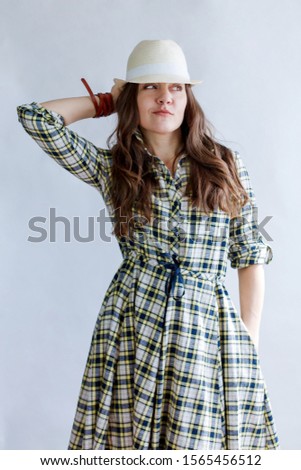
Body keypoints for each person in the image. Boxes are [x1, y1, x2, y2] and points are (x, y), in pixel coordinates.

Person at [17, 39, 279, 450]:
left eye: (176, 88)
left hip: (206, 329)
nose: (164, 97)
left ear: (188, 98)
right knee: (129, 444)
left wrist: (248, 345)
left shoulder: (224, 165)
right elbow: (36, 119)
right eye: (149, 87)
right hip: (133, 322)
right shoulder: (114, 167)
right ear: (132, 99)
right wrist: (105, 101)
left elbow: (250, 257)